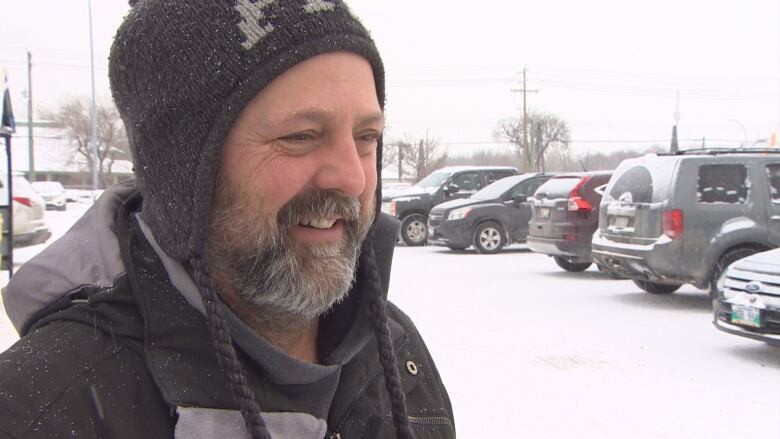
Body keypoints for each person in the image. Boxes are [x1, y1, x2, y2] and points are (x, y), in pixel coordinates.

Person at [0, 1, 454, 438]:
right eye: (300, 136)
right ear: (181, 175)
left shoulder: (392, 351)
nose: (353, 178)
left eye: (366, 136)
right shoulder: (43, 413)